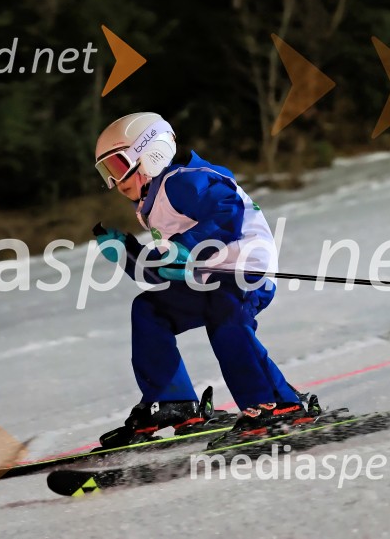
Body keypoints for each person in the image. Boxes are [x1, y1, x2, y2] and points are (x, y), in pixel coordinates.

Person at [92, 112, 318, 448]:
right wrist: (130, 255)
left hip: (243, 274)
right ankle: (172, 400)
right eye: (106, 173)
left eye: (117, 166)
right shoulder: (152, 204)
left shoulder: (183, 182)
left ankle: (271, 405)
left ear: (150, 154)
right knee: (150, 310)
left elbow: (227, 208)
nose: (115, 182)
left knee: (226, 320)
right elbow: (165, 271)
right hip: (208, 282)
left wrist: (187, 247)